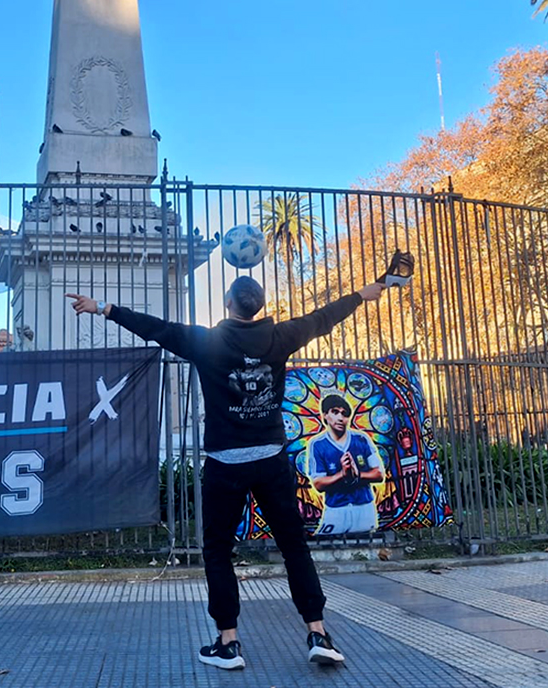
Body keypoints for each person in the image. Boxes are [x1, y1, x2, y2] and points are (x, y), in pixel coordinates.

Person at [67, 274, 388, 670]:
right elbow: (324, 318)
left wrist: (104, 308)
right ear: (260, 305)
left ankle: (228, 642)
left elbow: (156, 329)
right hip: (270, 461)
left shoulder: (209, 342)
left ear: (228, 303)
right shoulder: (281, 336)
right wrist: (361, 294)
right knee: (293, 546)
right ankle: (318, 633)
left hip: (226, 463)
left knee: (218, 550)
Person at [306, 394, 385, 535]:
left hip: (364, 506)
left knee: (369, 542)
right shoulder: (317, 444)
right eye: (335, 412)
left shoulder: (361, 439)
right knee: (325, 542)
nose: (340, 418)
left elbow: (379, 474)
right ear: (325, 415)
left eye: (345, 414)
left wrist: (358, 474)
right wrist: (342, 474)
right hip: (336, 509)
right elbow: (318, 483)